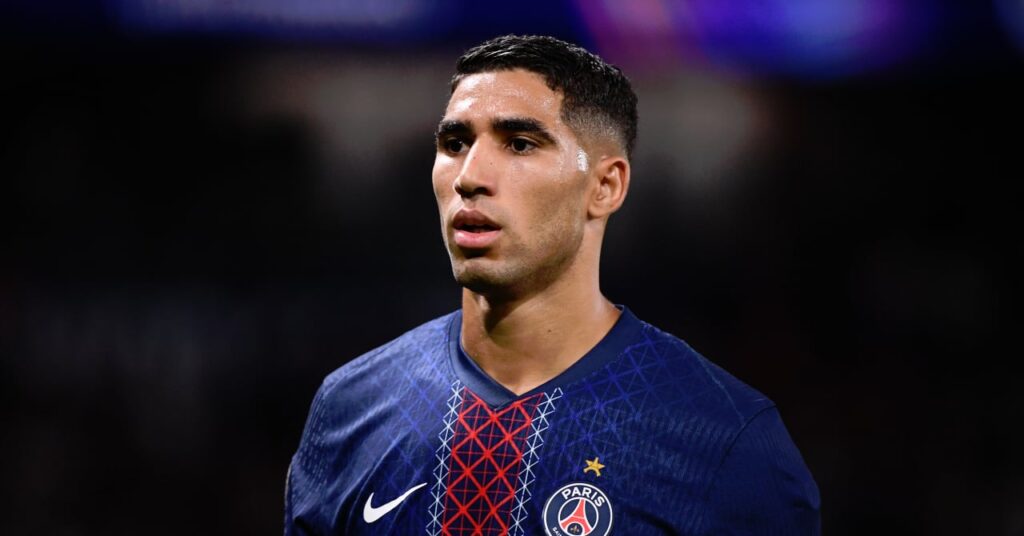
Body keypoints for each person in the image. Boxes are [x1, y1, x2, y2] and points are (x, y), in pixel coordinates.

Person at [285, 34, 820, 535]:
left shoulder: (725, 438)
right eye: (455, 142)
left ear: (605, 186)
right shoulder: (351, 407)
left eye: (519, 144)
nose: (469, 176)